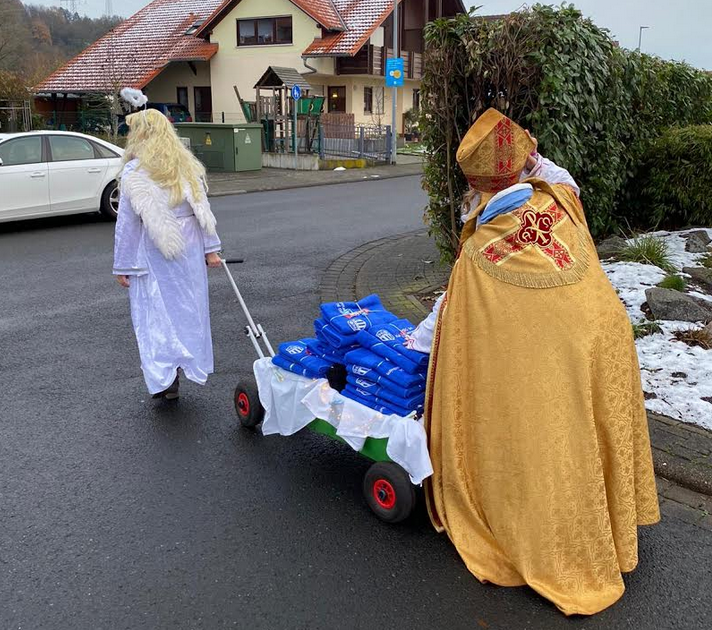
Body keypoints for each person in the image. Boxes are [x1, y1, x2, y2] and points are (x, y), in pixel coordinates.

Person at [423, 108, 659, 615]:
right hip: (605, 339)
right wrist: (527, 156)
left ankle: (553, 540)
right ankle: (611, 529)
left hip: (556, 363)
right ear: (525, 166)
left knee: (542, 434)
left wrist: (420, 346)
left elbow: (461, 343)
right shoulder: (560, 202)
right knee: (587, 432)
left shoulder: (481, 255)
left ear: (477, 189)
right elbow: (553, 173)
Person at [408, 133, 579, 353]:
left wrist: (419, 341)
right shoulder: (539, 199)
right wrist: (533, 162)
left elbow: (457, 300)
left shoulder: (482, 213)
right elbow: (569, 190)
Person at [113, 108, 222, 400]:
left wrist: (123, 265)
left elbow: (127, 224)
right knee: (188, 311)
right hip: (187, 250)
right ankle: (178, 370)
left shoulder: (135, 173)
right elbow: (202, 210)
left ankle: (166, 376)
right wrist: (210, 250)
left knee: (156, 315)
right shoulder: (184, 165)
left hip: (155, 252)